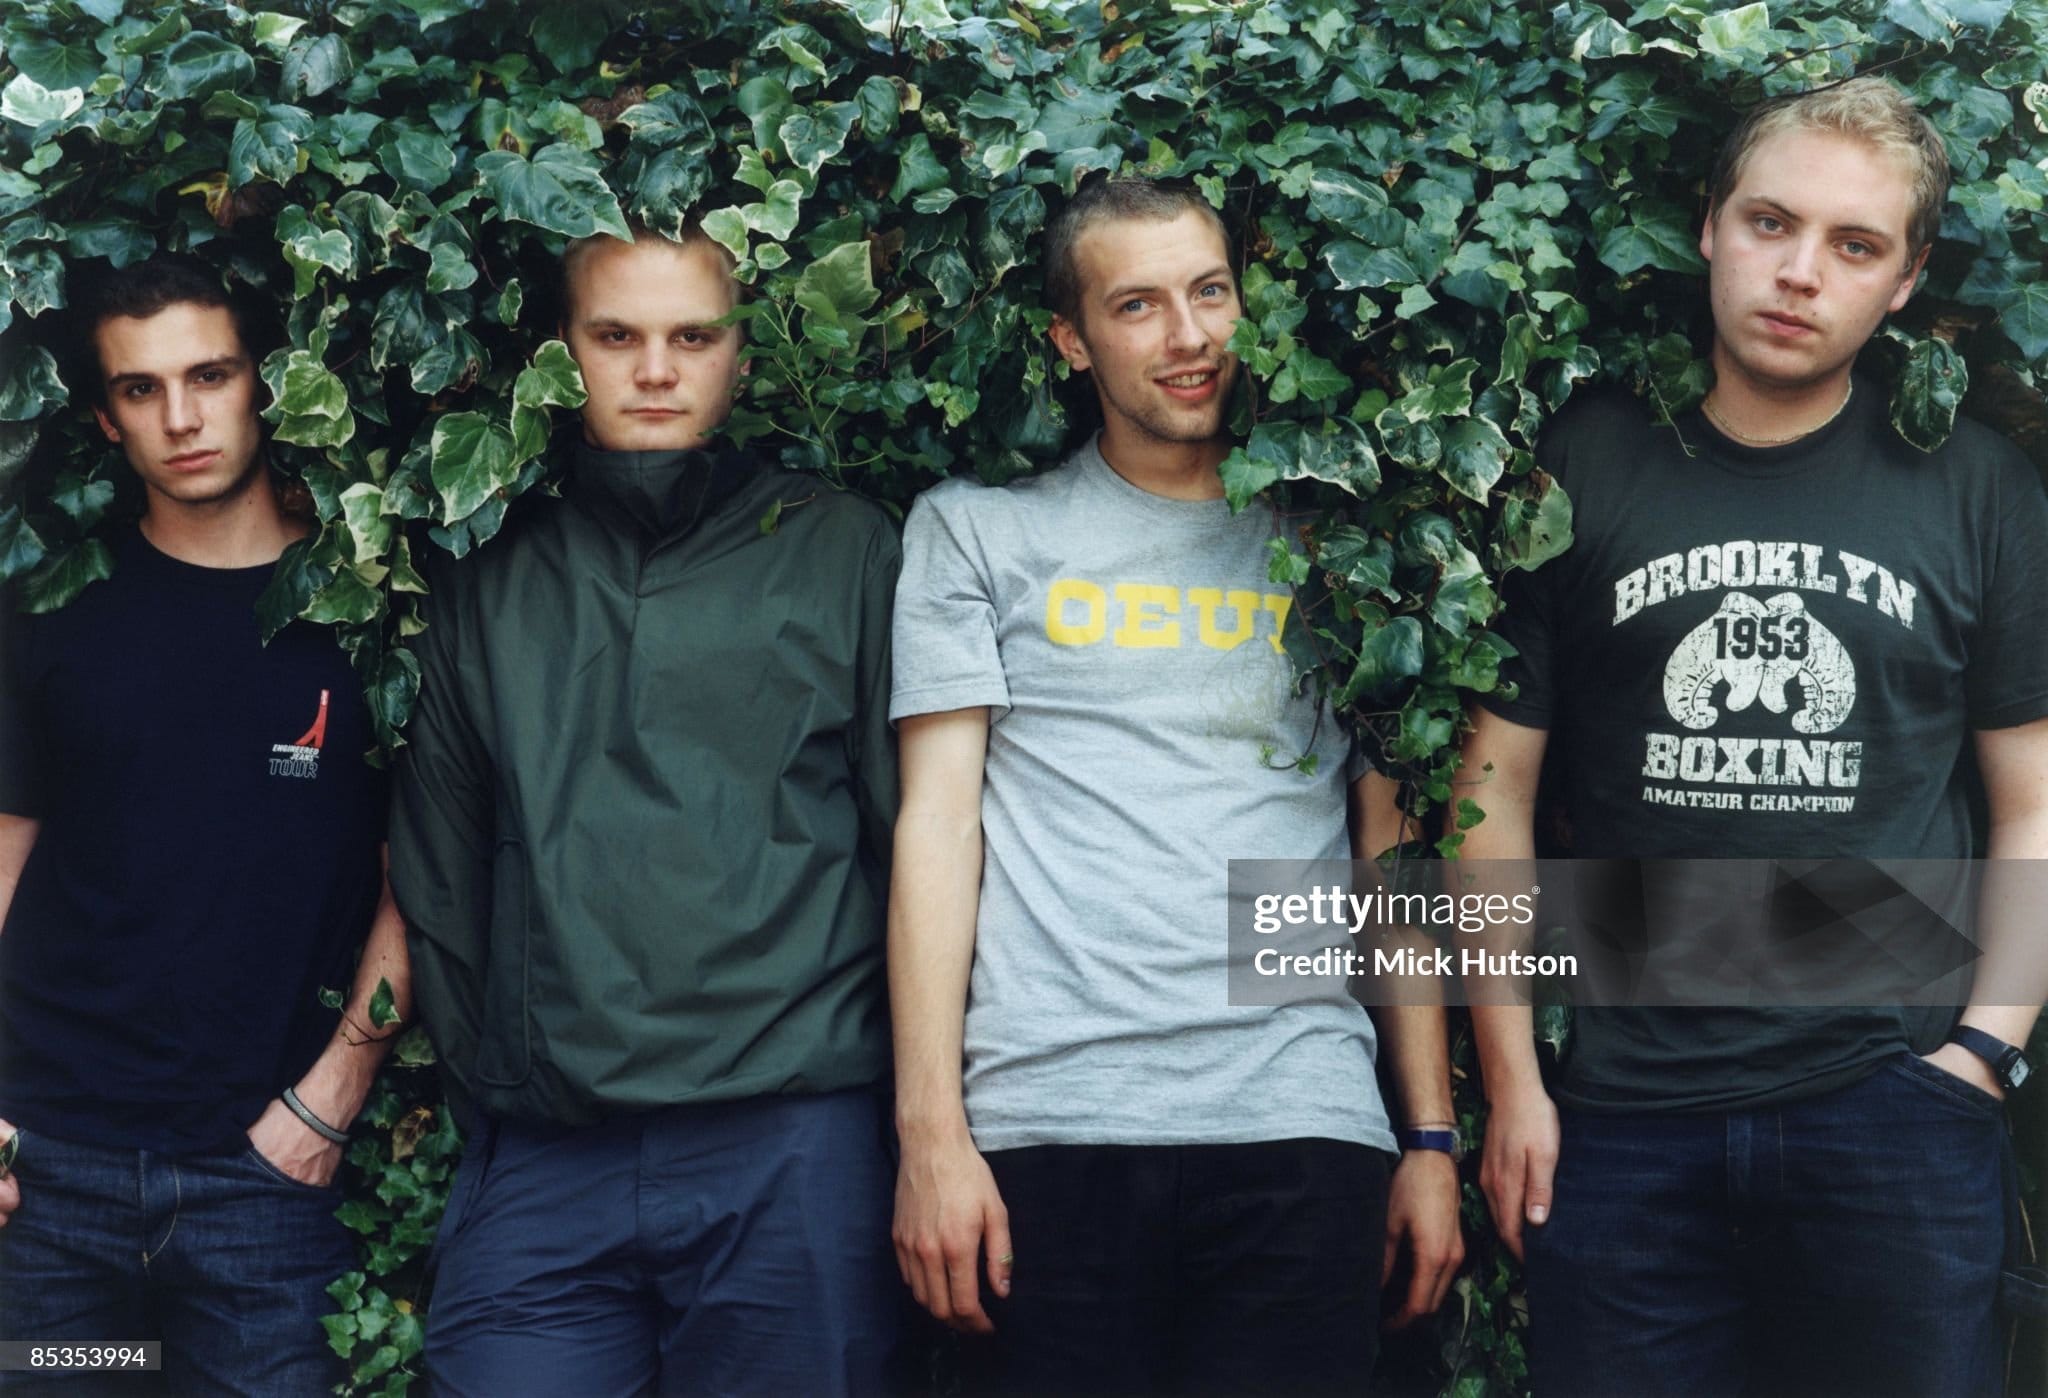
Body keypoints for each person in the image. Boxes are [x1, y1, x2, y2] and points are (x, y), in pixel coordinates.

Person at [1461, 77, 2048, 1396]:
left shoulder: (1978, 494)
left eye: (1854, 245)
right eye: (1771, 222)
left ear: (1901, 285)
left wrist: (1980, 1055)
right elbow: (1488, 795)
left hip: (1893, 1108)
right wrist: (1518, 1084)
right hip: (1622, 1128)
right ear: (1711, 228)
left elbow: (2036, 803)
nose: (1800, 273)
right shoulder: (1586, 461)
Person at [887, 176, 1464, 1397]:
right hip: (1048, 1120)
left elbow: (1387, 847)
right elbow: (936, 829)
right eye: (1136, 306)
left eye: (1207, 293)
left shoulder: (1335, 545)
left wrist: (1424, 1133)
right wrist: (929, 1134)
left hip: (1298, 1122)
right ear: (1069, 339)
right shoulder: (977, 534)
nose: (1188, 336)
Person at [389, 224, 901, 1397]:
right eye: (616, 336)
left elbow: (911, 844)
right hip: (546, 1148)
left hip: (791, 1138)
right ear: (562, 352)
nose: (656, 371)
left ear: (742, 358)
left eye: (692, 337)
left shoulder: (843, 550)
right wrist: (504, 1081)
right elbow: (443, 858)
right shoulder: (488, 565)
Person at [0, 253, 410, 1394]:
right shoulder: (55, 611)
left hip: (260, 1202)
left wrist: (330, 1100)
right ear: (104, 416)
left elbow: (423, 876)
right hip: (50, 1194)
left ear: (262, 384)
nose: (182, 418)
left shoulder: (369, 614)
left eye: (211, 374)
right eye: (142, 389)